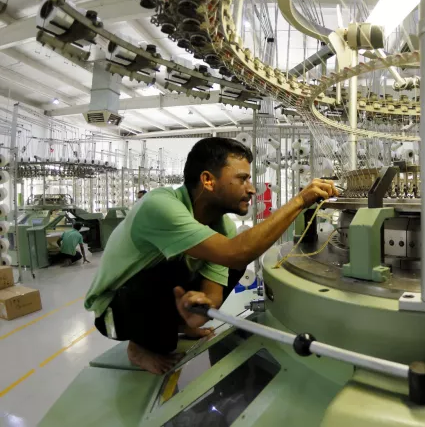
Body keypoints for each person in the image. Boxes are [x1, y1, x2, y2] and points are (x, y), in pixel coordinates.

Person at [84, 137, 338, 374]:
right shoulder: (159, 206)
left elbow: (217, 289)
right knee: (184, 265)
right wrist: (300, 201)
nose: (251, 190)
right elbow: (236, 253)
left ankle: (181, 325)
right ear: (208, 180)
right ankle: (138, 348)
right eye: (242, 179)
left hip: (161, 303)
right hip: (114, 314)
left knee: (233, 263)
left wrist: (203, 307)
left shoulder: (221, 225)